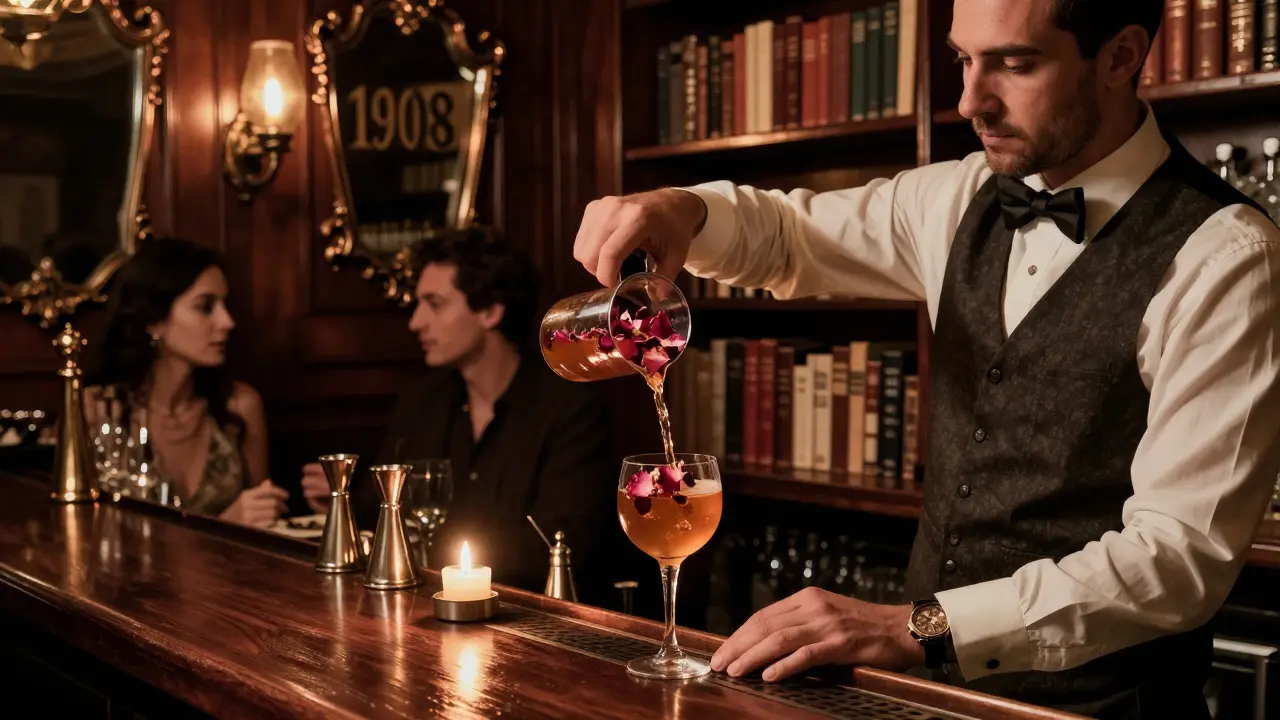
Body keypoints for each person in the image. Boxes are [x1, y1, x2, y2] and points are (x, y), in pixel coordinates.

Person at [571, 2, 1280, 718]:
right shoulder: (959, 196)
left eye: (1016, 63)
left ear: (1122, 57)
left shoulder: (1226, 257)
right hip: (923, 701)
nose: (972, 100)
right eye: (963, 60)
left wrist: (912, 626)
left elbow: (1177, 562)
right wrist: (683, 207)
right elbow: (789, 236)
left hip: (1100, 707)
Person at [301, 227, 619, 600]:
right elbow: (387, 514)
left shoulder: (568, 408)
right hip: (425, 610)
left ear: (490, 311)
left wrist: (429, 543)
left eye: (434, 304)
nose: (415, 322)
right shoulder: (422, 402)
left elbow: (557, 546)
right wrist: (343, 499)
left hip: (532, 618)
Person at [86, 237, 288, 527]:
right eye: (206, 307)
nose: (227, 321)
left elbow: (265, 530)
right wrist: (223, 525)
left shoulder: (239, 407)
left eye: (225, 305)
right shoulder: (99, 410)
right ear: (154, 321)